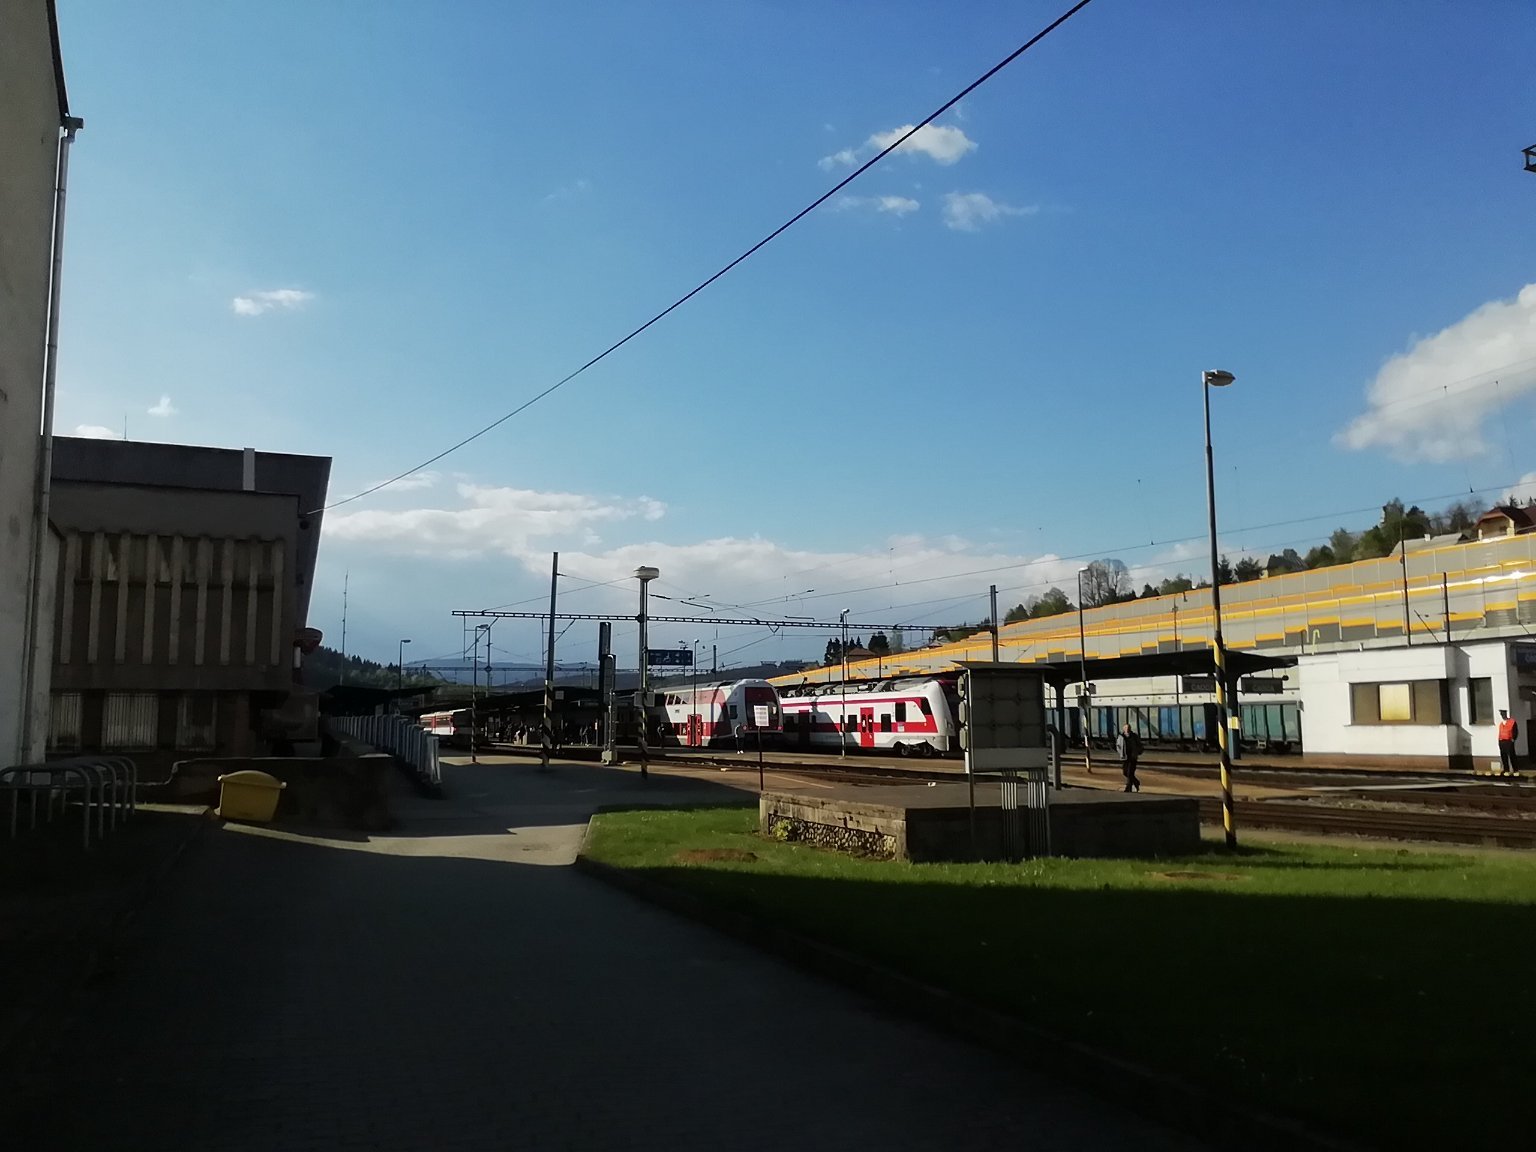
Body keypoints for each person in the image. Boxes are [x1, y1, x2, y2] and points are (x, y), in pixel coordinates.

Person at [1116, 722, 1142, 793]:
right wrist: (1120, 752)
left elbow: (1139, 745)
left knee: (1130, 773)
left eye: (1128, 728)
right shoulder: (1121, 737)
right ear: (1123, 729)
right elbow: (1118, 746)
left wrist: (1138, 752)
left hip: (1132, 757)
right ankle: (1136, 782)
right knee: (1125, 772)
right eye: (1126, 728)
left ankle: (1128, 788)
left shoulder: (1134, 736)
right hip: (1124, 757)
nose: (1127, 729)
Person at [1498, 709, 1519, 777]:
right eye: (1501, 714)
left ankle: (1515, 770)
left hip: (1509, 741)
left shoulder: (1512, 722)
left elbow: (1515, 731)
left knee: (1512, 755)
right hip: (1502, 741)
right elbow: (1500, 733)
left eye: (1503, 714)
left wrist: (1513, 739)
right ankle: (1506, 769)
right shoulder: (1501, 723)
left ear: (1506, 714)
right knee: (1504, 756)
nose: (1502, 716)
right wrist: (1499, 741)